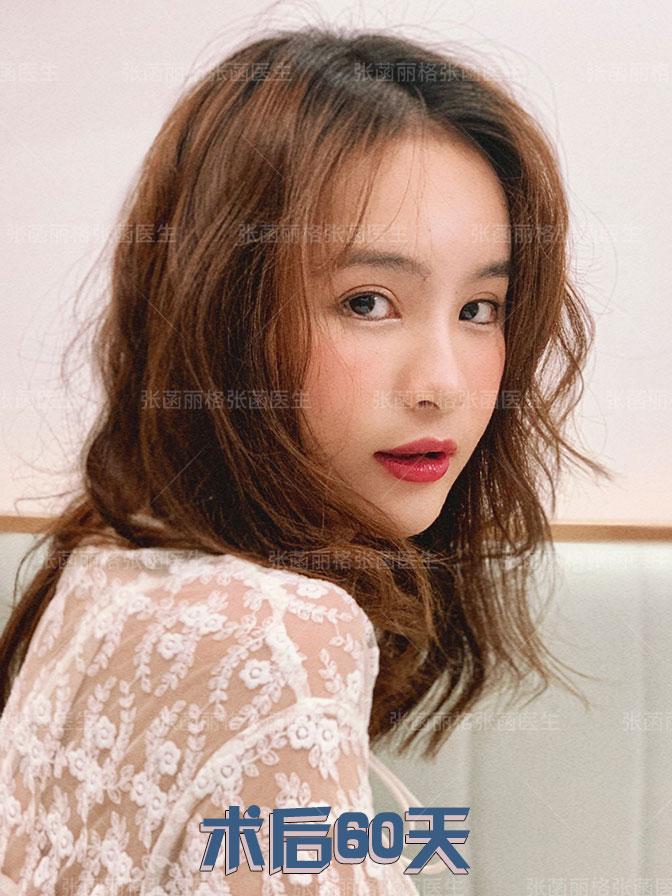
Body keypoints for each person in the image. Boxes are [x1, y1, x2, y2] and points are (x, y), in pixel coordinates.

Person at [0, 25, 610, 894]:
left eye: (480, 308)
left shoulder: (108, 560)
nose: (443, 384)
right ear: (224, 313)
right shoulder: (280, 634)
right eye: (368, 302)